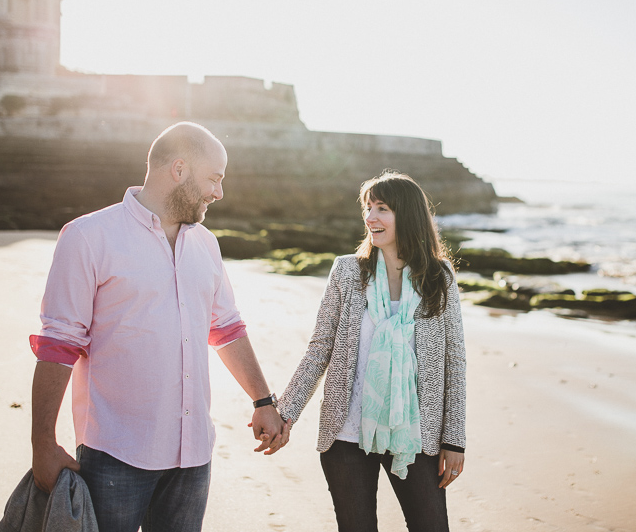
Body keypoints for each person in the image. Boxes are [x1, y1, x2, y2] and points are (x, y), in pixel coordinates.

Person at [29, 121, 289, 532]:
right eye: (215, 179)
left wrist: (262, 400)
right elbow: (57, 344)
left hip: (194, 456)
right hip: (116, 453)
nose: (219, 193)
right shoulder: (88, 236)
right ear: (179, 169)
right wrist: (42, 441)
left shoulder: (206, 244)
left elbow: (226, 328)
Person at [278, 170, 466, 532]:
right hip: (347, 434)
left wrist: (453, 440)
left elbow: (453, 364)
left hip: (415, 435)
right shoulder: (347, 272)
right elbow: (320, 350)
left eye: (382, 208)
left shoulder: (439, 278)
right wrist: (285, 413)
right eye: (368, 208)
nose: (370, 217)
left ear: (407, 215)